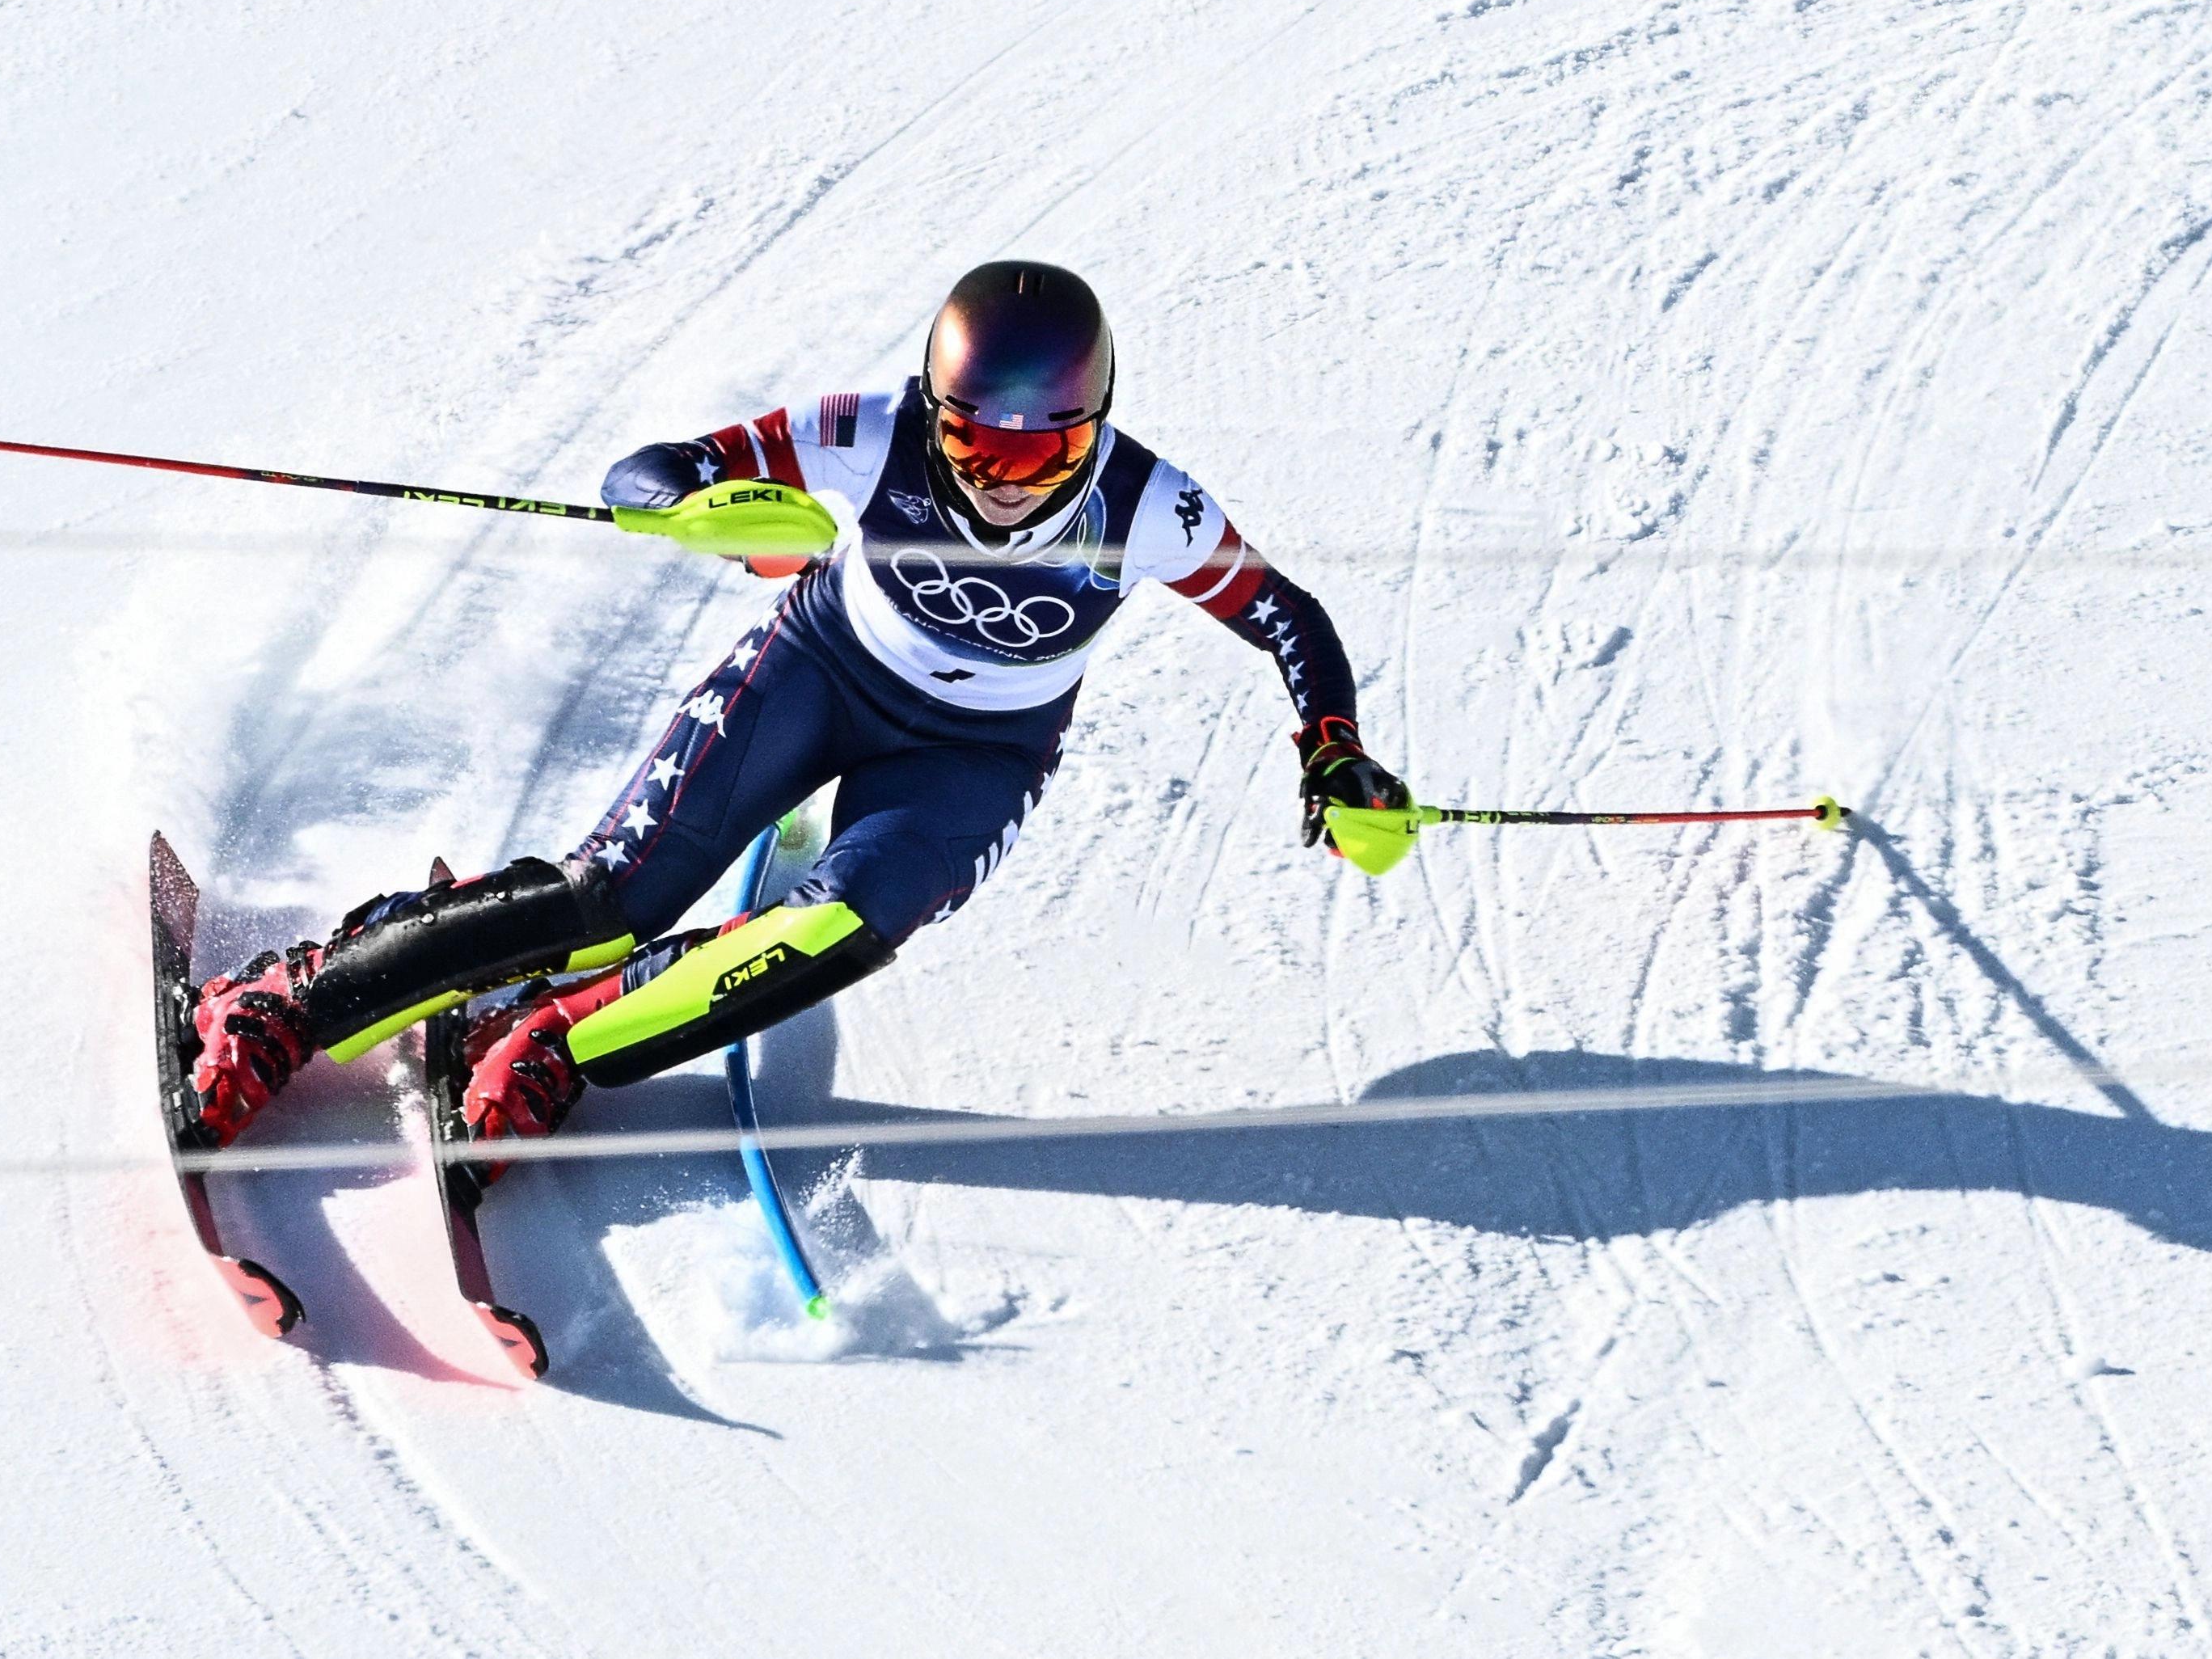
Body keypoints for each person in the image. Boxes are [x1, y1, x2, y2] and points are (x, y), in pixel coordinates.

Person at [184, 260, 1407, 1155]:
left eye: (1037, 458)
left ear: (1091, 430)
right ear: (932, 411)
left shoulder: (1150, 506)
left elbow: (1281, 611)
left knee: (839, 924)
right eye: (971, 445)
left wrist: (1333, 754)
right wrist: (692, 500)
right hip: (819, 668)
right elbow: (658, 470)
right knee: (611, 897)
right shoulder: (868, 437)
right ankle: (287, 1001)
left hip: (976, 753)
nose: (995, 480)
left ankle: (550, 1043)